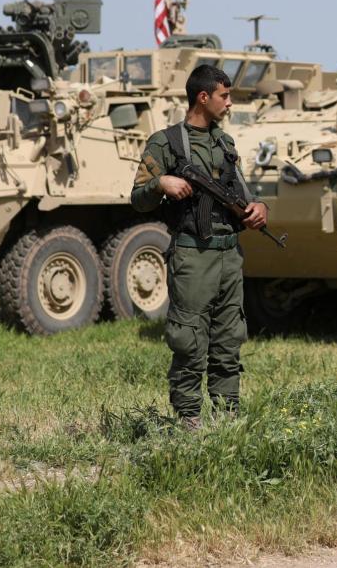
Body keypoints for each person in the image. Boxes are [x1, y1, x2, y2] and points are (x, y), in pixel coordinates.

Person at [131, 64, 269, 429]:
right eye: (224, 96)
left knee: (228, 339)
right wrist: (162, 183)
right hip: (193, 254)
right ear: (203, 97)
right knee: (189, 340)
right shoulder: (166, 143)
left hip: (229, 255)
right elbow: (137, 198)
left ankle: (227, 415)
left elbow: (242, 193)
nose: (229, 103)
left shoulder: (225, 142)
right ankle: (189, 417)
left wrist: (259, 208)